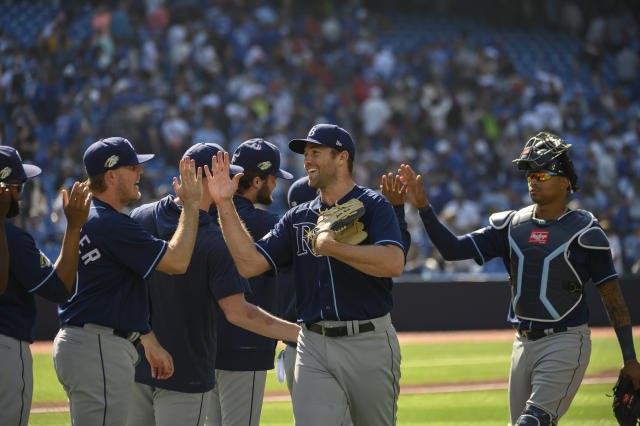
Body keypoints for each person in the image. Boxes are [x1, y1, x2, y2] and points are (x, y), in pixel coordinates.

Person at [398, 131, 640, 426]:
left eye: (541, 173)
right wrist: (423, 207)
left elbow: (612, 295)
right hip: (522, 343)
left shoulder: (586, 232)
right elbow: (452, 250)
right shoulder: (512, 224)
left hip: (565, 341)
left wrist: (629, 359)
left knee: (532, 422)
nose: (532, 180)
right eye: (530, 174)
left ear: (565, 181)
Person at [207, 123, 406, 426]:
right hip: (312, 343)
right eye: (306, 154)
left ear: (342, 158)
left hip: (368, 340)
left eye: (315, 152)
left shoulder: (373, 204)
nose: (307, 160)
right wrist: (224, 204)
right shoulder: (297, 217)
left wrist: (334, 247)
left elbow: (394, 262)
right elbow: (249, 264)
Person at [126, 142, 300, 426]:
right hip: (194, 367)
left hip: (141, 362)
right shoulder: (214, 236)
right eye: (224, 174)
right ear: (208, 179)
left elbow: (129, 291)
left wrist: (148, 340)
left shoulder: (141, 217)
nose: (233, 180)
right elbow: (239, 312)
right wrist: (300, 333)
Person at [53, 136, 203, 426]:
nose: (140, 173)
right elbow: (177, 261)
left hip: (87, 342)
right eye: (133, 167)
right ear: (111, 175)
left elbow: (115, 291)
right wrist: (192, 206)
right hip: (98, 346)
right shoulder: (110, 223)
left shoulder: (90, 218)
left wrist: (148, 341)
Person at [278, 173, 411, 426]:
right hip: (316, 343)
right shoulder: (332, 244)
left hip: (300, 345)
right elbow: (396, 254)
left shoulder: (290, 238)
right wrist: (397, 213)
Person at [0, 146, 91, 426]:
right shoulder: (13, 239)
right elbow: (58, 289)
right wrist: (74, 227)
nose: (20, 194)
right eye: (17, 186)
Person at [207, 138, 295, 426]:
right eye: (272, 179)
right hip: (246, 343)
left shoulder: (204, 217)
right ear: (257, 181)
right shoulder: (271, 225)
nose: (275, 186)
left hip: (204, 344)